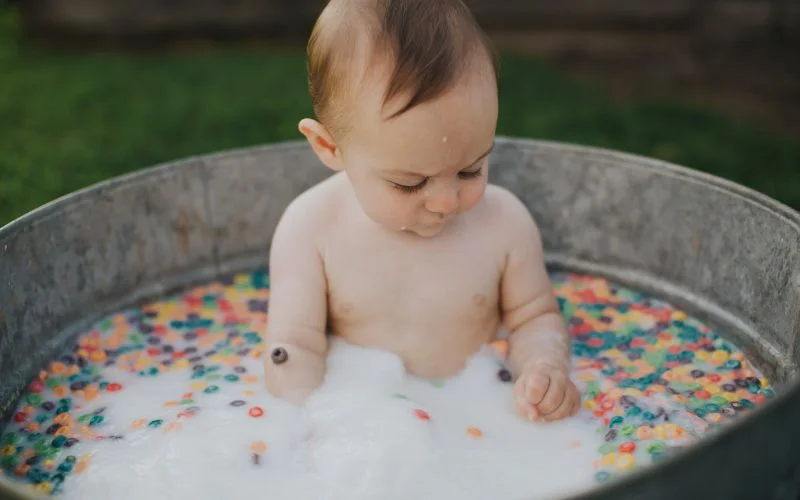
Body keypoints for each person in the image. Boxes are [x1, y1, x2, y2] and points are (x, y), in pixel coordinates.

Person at [263, 0, 580, 423]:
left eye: (471, 169)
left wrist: (544, 367)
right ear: (329, 147)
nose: (447, 202)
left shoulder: (505, 224)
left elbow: (534, 318)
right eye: (410, 183)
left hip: (481, 412)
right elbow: (294, 347)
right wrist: (312, 418)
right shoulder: (310, 229)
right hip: (364, 413)